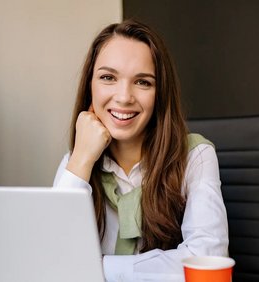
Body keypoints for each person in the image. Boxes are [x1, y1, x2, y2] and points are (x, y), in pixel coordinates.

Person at [53, 19, 228, 281]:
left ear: (160, 93)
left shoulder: (196, 156)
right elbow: (52, 259)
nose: (124, 97)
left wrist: (100, 268)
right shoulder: (78, 161)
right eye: (108, 77)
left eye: (143, 82)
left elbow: (207, 259)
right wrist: (81, 159)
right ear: (90, 85)